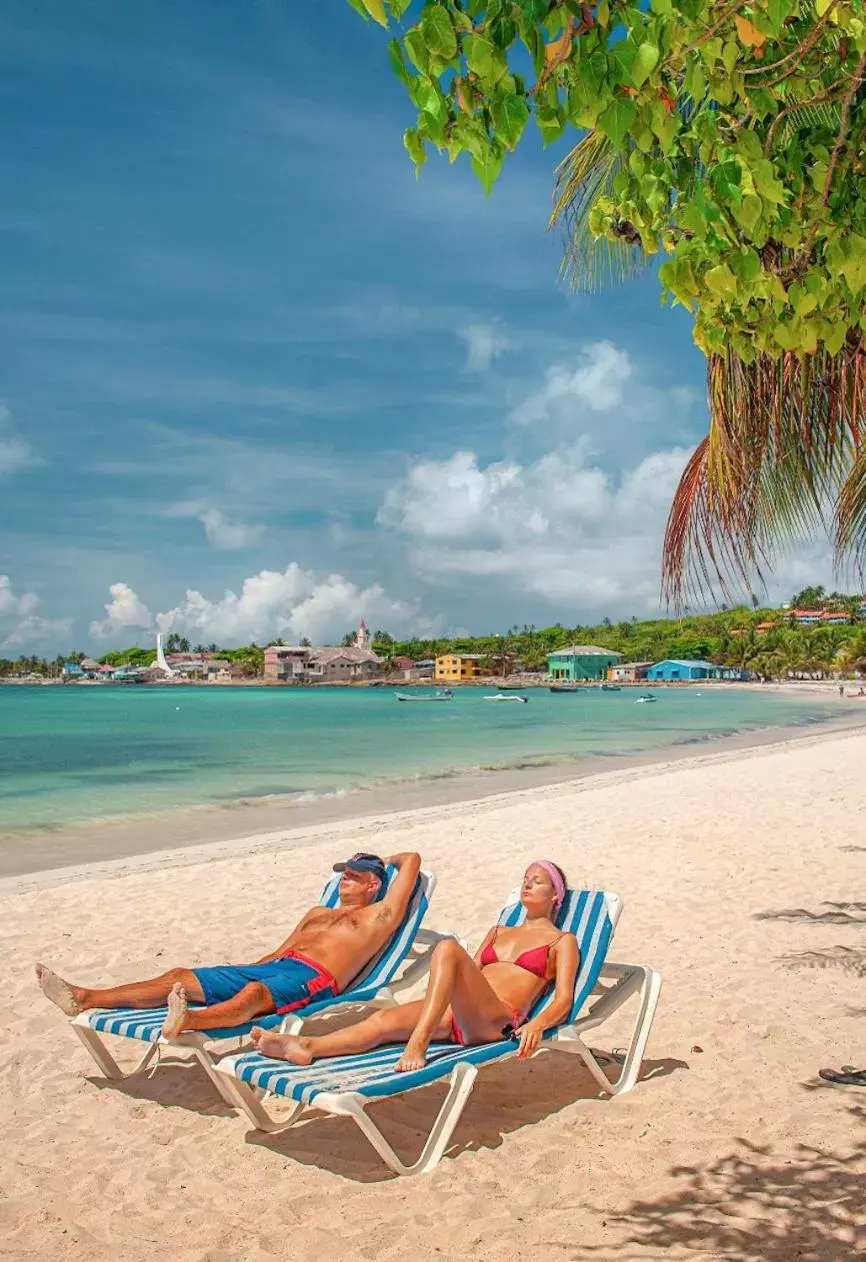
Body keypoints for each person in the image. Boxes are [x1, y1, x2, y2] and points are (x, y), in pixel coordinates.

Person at [35, 851, 421, 1037]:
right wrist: (248, 970)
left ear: (374, 884)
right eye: (344, 874)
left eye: (354, 876)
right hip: (276, 966)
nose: (345, 880)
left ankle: (190, 1020)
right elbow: (278, 950)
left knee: (254, 994)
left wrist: (386, 861)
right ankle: (86, 997)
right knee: (181, 977)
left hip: (314, 979)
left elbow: (413, 860)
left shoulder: (378, 917)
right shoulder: (317, 911)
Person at [250, 859, 579, 1072]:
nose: (526, 884)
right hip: (457, 1013)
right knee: (381, 1021)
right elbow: (470, 975)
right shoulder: (498, 931)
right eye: (524, 878)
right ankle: (308, 1047)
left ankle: (417, 1043)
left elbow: (563, 998)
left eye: (536, 881)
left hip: (497, 1021)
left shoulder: (562, 941)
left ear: (555, 896)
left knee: (447, 948)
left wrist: (537, 1025)